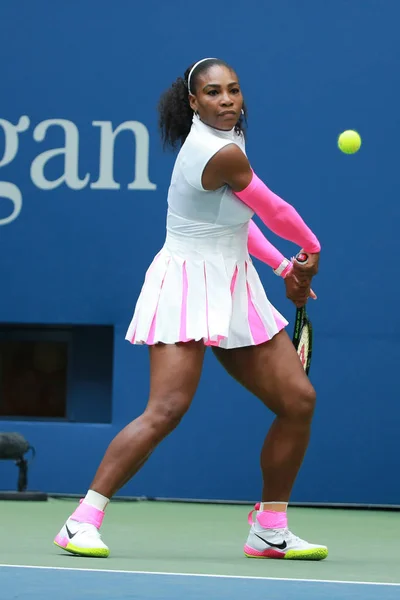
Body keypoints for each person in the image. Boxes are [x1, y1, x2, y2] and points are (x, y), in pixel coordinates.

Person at [54, 58, 327, 561]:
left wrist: (284, 268)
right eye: (214, 93)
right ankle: (81, 520)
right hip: (186, 284)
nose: (227, 100)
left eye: (234, 90)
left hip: (233, 283)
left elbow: (237, 222)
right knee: (167, 409)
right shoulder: (215, 151)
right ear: (193, 102)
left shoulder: (230, 142)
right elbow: (275, 211)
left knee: (297, 400)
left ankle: (270, 527)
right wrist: (312, 248)